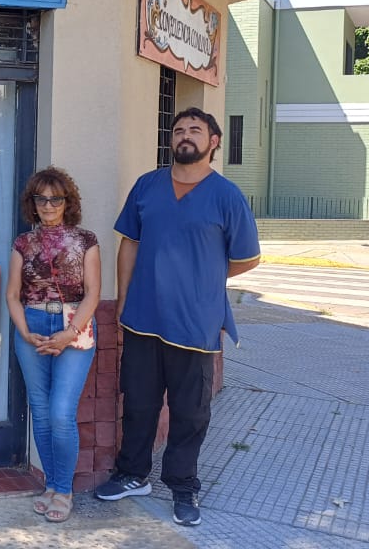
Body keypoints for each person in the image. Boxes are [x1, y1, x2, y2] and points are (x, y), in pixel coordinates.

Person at [94, 107, 260, 527]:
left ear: (213, 141)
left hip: (196, 323)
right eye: (179, 129)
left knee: (190, 413)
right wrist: (125, 301)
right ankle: (133, 474)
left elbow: (248, 258)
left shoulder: (227, 196)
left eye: (196, 130)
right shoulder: (147, 187)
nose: (185, 135)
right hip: (143, 319)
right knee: (138, 404)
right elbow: (129, 244)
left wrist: (203, 273)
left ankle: (183, 487)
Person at [6, 167, 100, 524]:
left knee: (61, 412)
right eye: (41, 199)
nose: (48, 205)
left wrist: (70, 332)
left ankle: (64, 490)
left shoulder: (86, 240)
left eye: (55, 199)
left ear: (67, 202)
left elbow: (93, 293)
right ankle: (52, 485)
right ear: (33, 203)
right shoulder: (22, 244)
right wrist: (25, 332)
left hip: (73, 326)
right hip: (32, 326)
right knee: (41, 413)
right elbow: (13, 295)